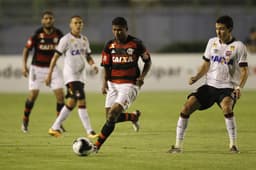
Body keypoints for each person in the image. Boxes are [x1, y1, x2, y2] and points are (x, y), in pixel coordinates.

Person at [167, 15, 248, 154]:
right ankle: (177, 146)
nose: (218, 32)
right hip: (209, 86)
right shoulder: (212, 42)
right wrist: (196, 77)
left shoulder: (239, 46)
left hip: (227, 87)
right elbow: (206, 64)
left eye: (222, 29)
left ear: (230, 29)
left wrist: (239, 87)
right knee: (186, 107)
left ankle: (233, 145)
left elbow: (244, 71)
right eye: (217, 29)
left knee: (227, 108)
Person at [92, 17, 152, 152]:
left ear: (126, 29)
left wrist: (142, 77)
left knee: (113, 114)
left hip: (130, 84)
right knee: (110, 117)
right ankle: (133, 117)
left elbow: (148, 62)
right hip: (112, 84)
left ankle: (95, 146)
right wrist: (104, 83)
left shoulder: (136, 44)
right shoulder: (109, 45)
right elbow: (106, 66)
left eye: (120, 30)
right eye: (114, 30)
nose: (117, 32)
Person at [45, 15, 99, 139]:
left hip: (81, 76)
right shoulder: (65, 40)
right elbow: (55, 57)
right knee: (82, 100)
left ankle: (54, 127)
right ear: (70, 25)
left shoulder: (85, 39)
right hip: (71, 76)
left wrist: (93, 65)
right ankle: (89, 131)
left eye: (80, 22)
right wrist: (49, 74)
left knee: (71, 102)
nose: (78, 25)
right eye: (75, 23)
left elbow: (88, 56)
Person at [21, 11, 65, 133]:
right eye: (46, 18)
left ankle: (58, 124)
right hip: (37, 68)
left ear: (53, 20)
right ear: (42, 21)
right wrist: (24, 66)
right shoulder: (37, 35)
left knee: (60, 96)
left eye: (50, 18)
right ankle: (25, 120)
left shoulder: (58, 34)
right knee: (33, 95)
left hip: (53, 68)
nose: (48, 20)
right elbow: (26, 49)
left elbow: (65, 47)